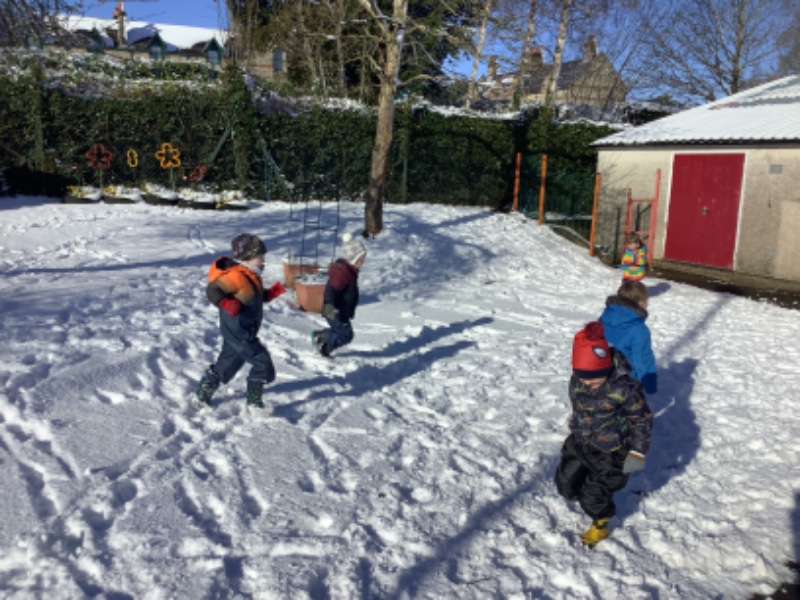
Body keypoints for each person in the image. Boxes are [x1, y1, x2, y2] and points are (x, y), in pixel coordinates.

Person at [554, 321, 653, 547]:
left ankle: (600, 522)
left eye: (593, 378)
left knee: (594, 494)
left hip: (612, 451)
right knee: (565, 483)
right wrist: (576, 421)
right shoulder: (578, 380)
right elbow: (580, 404)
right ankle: (586, 494)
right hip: (581, 441)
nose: (588, 383)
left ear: (606, 368)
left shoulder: (626, 388)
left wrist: (637, 452)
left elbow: (642, 420)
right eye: (583, 377)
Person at [194, 233, 285, 411]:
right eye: (259, 256)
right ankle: (254, 402)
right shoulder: (236, 276)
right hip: (238, 331)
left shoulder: (252, 275)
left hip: (244, 330)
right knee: (262, 362)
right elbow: (213, 290)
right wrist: (225, 303)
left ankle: (203, 392)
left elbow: (254, 296)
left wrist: (272, 292)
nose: (263, 259)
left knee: (229, 362)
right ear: (247, 257)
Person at [312, 232, 367, 357]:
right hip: (333, 311)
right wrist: (330, 308)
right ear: (352, 259)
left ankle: (325, 348)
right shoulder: (342, 274)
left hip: (341, 310)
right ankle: (320, 337)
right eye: (360, 260)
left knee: (343, 333)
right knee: (345, 334)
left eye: (363, 259)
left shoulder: (349, 270)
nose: (362, 263)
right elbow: (330, 291)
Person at [599, 280, 658, 394]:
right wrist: (650, 383)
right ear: (641, 303)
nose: (647, 304)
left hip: (601, 373)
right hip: (625, 381)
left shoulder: (605, 316)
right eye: (646, 300)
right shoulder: (639, 329)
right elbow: (642, 359)